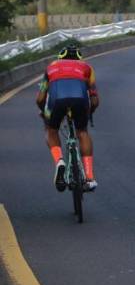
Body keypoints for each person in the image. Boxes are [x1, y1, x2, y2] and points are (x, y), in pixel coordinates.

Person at [36, 46, 99, 191]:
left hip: (56, 100)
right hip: (80, 100)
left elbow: (40, 99)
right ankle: (89, 177)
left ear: (60, 58)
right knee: (82, 132)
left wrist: (44, 114)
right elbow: (94, 100)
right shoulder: (87, 67)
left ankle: (59, 161)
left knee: (51, 130)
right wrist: (89, 113)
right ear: (79, 59)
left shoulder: (51, 67)